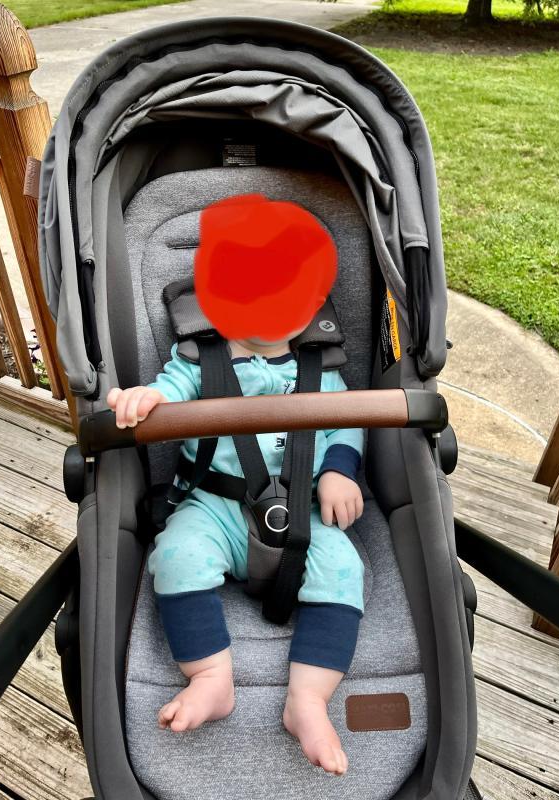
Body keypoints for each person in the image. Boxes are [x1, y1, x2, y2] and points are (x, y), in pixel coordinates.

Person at [107, 195, 365, 776]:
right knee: (175, 554)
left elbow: (349, 416)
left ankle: (308, 699)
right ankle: (211, 676)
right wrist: (146, 398)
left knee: (344, 570)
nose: (266, 332)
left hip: (305, 505)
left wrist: (338, 468)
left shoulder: (322, 366)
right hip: (215, 505)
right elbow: (168, 390)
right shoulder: (198, 360)